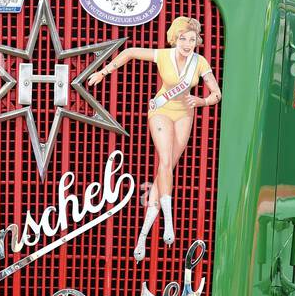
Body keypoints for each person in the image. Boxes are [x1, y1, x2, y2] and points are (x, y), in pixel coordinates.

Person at [88, 16, 221, 260]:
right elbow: (128, 52)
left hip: (185, 115)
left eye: (192, 39)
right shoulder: (162, 55)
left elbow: (217, 94)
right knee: (166, 162)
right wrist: (104, 72)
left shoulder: (199, 63)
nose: (187, 43)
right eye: (183, 38)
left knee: (164, 169)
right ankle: (168, 224)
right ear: (175, 38)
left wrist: (202, 101)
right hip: (160, 111)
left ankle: (142, 236)